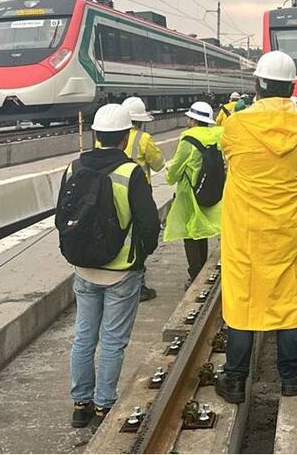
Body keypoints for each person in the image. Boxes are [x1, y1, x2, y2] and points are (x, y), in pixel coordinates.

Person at [215, 51, 297, 404]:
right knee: (288, 297)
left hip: (245, 230)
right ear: (292, 87)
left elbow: (228, 158)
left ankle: (234, 378)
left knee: (242, 300)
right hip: (288, 230)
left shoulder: (234, 125)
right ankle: (289, 375)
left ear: (257, 84)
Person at [62, 104, 160, 430]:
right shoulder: (130, 173)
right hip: (121, 271)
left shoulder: (73, 168)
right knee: (113, 340)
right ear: (124, 136)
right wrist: (141, 257)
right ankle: (105, 405)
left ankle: (80, 405)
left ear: (96, 134)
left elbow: (62, 218)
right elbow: (148, 224)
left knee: (84, 337)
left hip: (84, 269)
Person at [164, 101, 223, 287]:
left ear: (193, 120)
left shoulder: (187, 139)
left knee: (190, 234)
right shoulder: (218, 134)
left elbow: (174, 172)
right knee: (201, 231)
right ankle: (203, 268)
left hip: (189, 193)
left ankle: (195, 274)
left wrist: (168, 173)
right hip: (211, 189)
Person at [122, 96, 166, 301]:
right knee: (138, 237)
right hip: (139, 192)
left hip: (113, 190)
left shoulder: (104, 137)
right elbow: (158, 165)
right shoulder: (143, 139)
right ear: (140, 121)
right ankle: (138, 286)